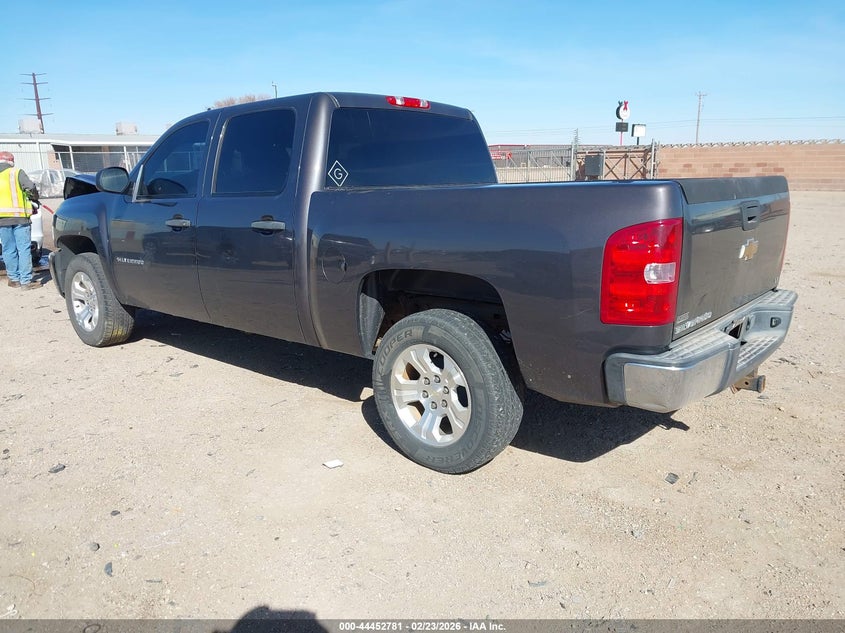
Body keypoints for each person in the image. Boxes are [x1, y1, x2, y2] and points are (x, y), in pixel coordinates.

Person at [0, 151, 40, 289]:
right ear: (11, 161)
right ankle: (26, 281)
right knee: (23, 249)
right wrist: (33, 198)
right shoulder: (16, 172)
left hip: (1, 220)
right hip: (19, 218)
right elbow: (30, 188)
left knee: (8, 249)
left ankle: (14, 279)